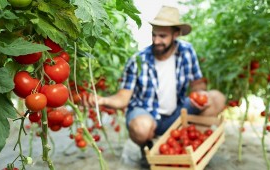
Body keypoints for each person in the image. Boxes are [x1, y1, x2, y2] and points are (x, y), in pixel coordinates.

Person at [86, 5, 226, 168]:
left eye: (162, 36)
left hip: (176, 114)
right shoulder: (138, 60)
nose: (156, 40)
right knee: (141, 127)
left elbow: (197, 83)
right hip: (147, 115)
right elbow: (123, 98)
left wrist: (199, 96)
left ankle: (194, 146)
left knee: (216, 97)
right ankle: (146, 149)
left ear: (176, 34)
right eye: (154, 35)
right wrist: (102, 100)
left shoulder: (187, 52)